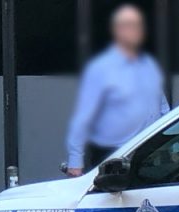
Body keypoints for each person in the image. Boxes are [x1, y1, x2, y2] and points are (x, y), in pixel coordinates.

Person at [65, 4, 169, 177]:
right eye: (129, 26)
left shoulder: (148, 66)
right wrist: (75, 161)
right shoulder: (101, 69)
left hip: (149, 158)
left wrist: (174, 146)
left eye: (137, 26)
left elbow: (163, 110)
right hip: (114, 158)